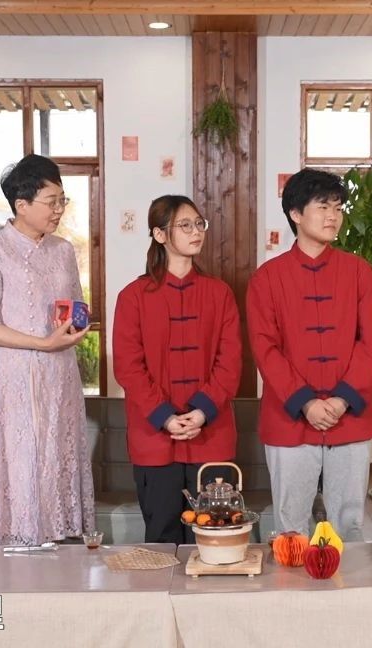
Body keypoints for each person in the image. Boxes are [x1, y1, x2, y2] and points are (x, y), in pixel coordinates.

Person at [0, 154, 96, 546]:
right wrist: (42, 343)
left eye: (62, 200)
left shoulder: (63, 250)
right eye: (51, 201)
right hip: (15, 377)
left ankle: (61, 539)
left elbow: (76, 306)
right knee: (22, 459)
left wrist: (75, 326)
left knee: (57, 453)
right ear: (21, 205)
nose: (59, 210)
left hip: (60, 375)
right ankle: (18, 540)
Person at [247, 169, 372, 541]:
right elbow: (265, 349)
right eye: (323, 207)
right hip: (289, 417)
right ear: (295, 213)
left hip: (349, 415)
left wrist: (341, 400)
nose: (333, 216)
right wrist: (306, 402)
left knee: (349, 525)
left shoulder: (360, 272)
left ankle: (346, 582)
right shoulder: (267, 278)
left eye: (337, 208)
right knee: (291, 528)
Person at [113, 195, 242, 544]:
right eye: (185, 225)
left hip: (212, 435)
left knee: (215, 539)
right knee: (162, 539)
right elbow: (128, 367)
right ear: (159, 235)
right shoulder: (133, 297)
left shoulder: (220, 294)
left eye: (199, 223)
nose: (196, 231)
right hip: (154, 437)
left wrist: (201, 412)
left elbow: (230, 362)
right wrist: (166, 416)